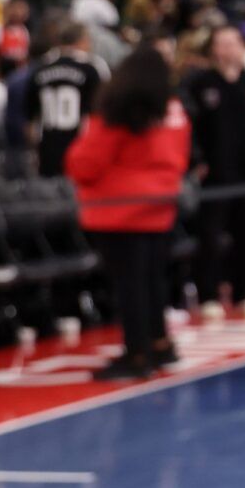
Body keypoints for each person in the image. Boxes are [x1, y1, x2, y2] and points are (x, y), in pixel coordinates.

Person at [65, 46, 190, 380]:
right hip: (160, 204)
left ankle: (137, 353)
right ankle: (160, 342)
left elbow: (86, 163)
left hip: (117, 210)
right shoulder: (174, 109)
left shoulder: (119, 110)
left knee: (129, 285)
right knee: (153, 279)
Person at [186, 26, 245, 319]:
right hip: (215, 174)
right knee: (210, 235)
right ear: (213, 49)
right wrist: (196, 159)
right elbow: (192, 126)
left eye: (234, 43)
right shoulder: (201, 83)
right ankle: (208, 295)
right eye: (222, 43)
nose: (229, 49)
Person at [27, 20, 107, 177]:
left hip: (48, 145)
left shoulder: (40, 67)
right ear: (83, 41)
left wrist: (34, 149)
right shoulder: (92, 67)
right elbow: (100, 112)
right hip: (80, 144)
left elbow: (30, 118)